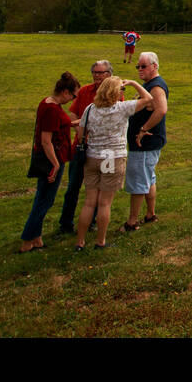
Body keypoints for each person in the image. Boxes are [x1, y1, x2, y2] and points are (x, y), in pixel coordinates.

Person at [74, 75, 152, 251]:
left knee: (89, 202)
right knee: (104, 203)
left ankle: (80, 241)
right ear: (116, 92)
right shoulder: (121, 108)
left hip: (92, 156)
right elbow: (148, 99)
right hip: (110, 156)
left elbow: (80, 134)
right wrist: (133, 83)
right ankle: (100, 241)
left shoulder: (90, 109)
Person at [19, 72, 80, 253]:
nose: (73, 99)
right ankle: (27, 240)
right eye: (73, 96)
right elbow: (46, 140)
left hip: (54, 158)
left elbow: (57, 125)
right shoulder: (52, 109)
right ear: (66, 92)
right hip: (52, 160)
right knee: (44, 200)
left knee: (43, 197)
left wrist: (72, 123)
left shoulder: (48, 102)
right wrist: (55, 165)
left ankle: (37, 239)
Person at [58, 59, 112, 235]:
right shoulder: (84, 91)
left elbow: (109, 119)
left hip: (103, 150)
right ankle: (65, 223)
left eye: (101, 73)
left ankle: (93, 221)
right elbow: (73, 111)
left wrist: (85, 124)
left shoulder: (114, 93)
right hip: (80, 147)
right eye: (95, 72)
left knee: (100, 188)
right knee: (73, 187)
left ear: (109, 74)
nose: (97, 76)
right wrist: (80, 128)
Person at [124, 51, 169, 232]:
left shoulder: (156, 86)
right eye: (138, 66)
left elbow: (161, 110)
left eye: (143, 66)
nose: (140, 69)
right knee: (148, 178)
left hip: (145, 144)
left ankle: (132, 222)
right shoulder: (149, 85)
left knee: (138, 182)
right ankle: (150, 214)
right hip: (147, 144)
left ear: (154, 66)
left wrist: (143, 130)